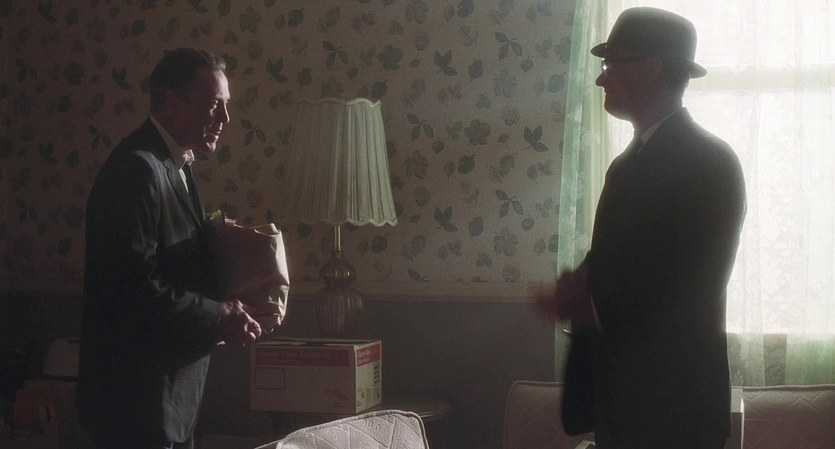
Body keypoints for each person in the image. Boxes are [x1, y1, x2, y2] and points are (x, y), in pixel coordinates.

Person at [537, 8, 746, 449]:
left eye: (612, 65)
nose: (601, 79)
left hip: (674, 410)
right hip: (620, 405)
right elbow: (613, 259)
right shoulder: (624, 166)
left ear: (652, 69)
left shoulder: (711, 163)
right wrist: (579, 286)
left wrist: (591, 307)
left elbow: (694, 289)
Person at [77, 48, 262, 449]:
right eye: (213, 105)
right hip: (137, 405)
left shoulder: (177, 165)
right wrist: (217, 314)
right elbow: (132, 290)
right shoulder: (135, 169)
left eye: (226, 106)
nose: (225, 119)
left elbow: (179, 268)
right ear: (171, 101)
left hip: (171, 403)